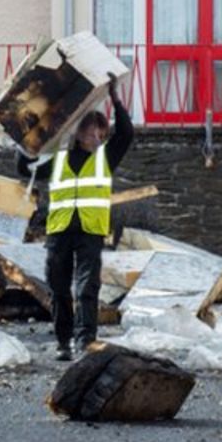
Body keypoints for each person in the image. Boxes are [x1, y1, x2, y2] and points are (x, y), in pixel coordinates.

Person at [18, 74, 134, 361]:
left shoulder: (105, 157)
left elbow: (126, 133)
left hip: (89, 230)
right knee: (58, 289)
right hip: (59, 230)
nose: (99, 137)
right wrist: (24, 138)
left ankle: (85, 340)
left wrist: (115, 98)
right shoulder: (56, 159)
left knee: (86, 287)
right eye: (94, 132)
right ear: (79, 132)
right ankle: (63, 342)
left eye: (101, 133)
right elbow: (25, 167)